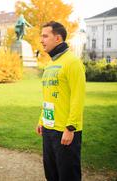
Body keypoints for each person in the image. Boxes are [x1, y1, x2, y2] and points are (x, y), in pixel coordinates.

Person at [36, 21, 86, 181]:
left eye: (45, 36)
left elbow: (78, 97)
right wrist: (41, 120)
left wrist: (71, 128)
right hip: (48, 128)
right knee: (51, 173)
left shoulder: (73, 62)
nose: (41, 40)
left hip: (65, 131)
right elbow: (48, 96)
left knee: (68, 175)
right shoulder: (50, 64)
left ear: (58, 38)